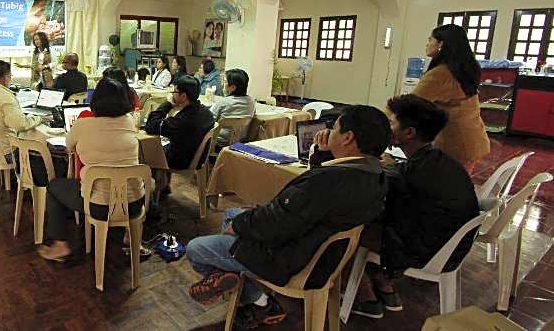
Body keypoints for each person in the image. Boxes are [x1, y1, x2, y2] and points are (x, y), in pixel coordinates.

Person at [185, 105, 389, 330]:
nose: (329, 132)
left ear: (348, 137)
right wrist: (322, 154)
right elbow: (311, 203)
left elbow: (277, 222)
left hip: (288, 258)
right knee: (232, 214)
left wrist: (240, 226)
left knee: (196, 249)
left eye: (335, 128)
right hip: (319, 253)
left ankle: (259, 300)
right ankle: (236, 278)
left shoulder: (327, 182)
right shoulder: (375, 175)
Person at [350, 95, 479, 319]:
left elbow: (374, 190)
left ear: (409, 133)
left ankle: (364, 295)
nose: (386, 128)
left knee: (347, 229)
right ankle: (385, 283)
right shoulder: (439, 161)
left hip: (426, 252)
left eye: (391, 123)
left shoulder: (411, 174)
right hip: (451, 247)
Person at [38, 78, 144, 261]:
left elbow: (69, 147)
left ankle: (60, 245)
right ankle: (129, 234)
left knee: (54, 187)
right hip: (134, 204)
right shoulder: (129, 121)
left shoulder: (83, 124)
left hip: (99, 206)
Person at [413, 24, 489, 173]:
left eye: (430, 40)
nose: (427, 44)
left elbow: (410, 104)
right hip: (473, 138)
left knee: (448, 184)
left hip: (457, 143)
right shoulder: (463, 69)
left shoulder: (440, 74)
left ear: (441, 44)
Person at [144, 75, 214, 171]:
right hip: (198, 158)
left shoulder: (181, 121)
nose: (172, 94)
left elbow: (150, 126)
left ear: (184, 96)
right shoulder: (207, 112)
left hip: (180, 162)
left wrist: (168, 104)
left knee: (146, 150)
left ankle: (157, 179)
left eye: (174, 92)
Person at [209, 69, 255, 147]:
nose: (222, 84)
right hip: (239, 143)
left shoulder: (223, 102)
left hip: (217, 143)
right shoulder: (251, 102)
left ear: (233, 87)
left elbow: (208, 121)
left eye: (225, 81)